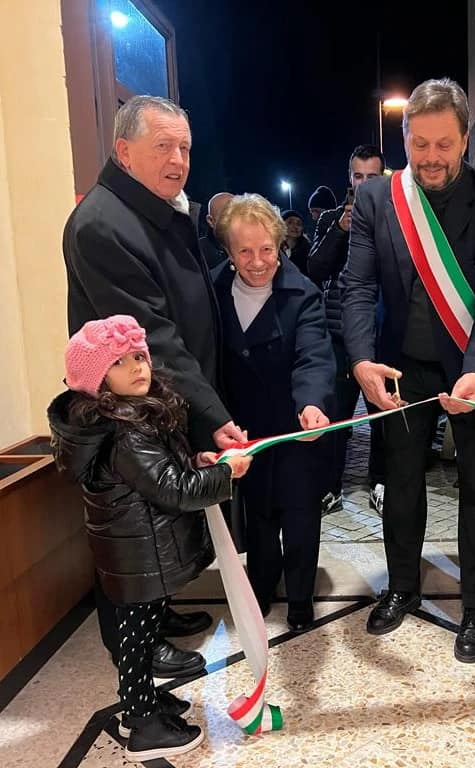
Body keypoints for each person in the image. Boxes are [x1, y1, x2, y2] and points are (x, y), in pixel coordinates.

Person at [62, 95, 246, 678]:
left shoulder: (151, 209)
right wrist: (213, 413)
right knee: (131, 535)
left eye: (185, 147)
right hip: (125, 415)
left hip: (156, 401)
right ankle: (133, 648)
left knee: (156, 525)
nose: (178, 160)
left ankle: (156, 616)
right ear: (124, 151)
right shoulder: (103, 224)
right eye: (162, 146)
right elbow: (155, 337)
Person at [342, 78, 475, 663]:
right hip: (400, 367)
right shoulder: (379, 199)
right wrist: (361, 359)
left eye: (444, 144)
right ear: (405, 141)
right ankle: (402, 588)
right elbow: (358, 286)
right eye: (419, 144)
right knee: (400, 483)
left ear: (465, 140)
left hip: (472, 367)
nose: (431, 158)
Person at [48, 315, 252, 761]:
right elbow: (174, 491)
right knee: (137, 640)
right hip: (140, 553)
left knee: (139, 634)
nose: (137, 367)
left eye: (139, 356)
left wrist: (198, 462)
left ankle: (141, 702)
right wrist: (225, 473)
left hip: (137, 551)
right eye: (119, 362)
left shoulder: (129, 418)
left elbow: (161, 474)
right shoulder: (125, 432)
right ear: (96, 380)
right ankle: (143, 725)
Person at [214, 194, 335, 631]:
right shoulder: (212, 291)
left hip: (293, 425)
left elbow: (314, 355)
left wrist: (312, 402)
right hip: (241, 428)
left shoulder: (303, 294)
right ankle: (261, 588)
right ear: (229, 252)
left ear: (280, 244)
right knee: (258, 513)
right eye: (245, 251)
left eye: (267, 249)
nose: (258, 262)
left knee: (300, 512)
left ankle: (301, 597)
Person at [308, 144, 387, 516]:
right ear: (349, 178)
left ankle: (380, 482)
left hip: (380, 331)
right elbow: (315, 269)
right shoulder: (331, 218)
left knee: (383, 414)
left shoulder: (396, 216)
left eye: (373, 176)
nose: (365, 183)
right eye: (359, 176)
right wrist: (341, 229)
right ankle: (329, 486)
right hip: (338, 335)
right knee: (335, 415)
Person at [199, 191, 234, 268]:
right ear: (210, 221)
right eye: (225, 216)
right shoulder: (196, 253)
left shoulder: (252, 246)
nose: (233, 221)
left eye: (237, 214)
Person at [281, 209, 312, 276]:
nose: (295, 227)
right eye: (290, 222)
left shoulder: (308, 251)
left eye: (299, 224)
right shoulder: (274, 249)